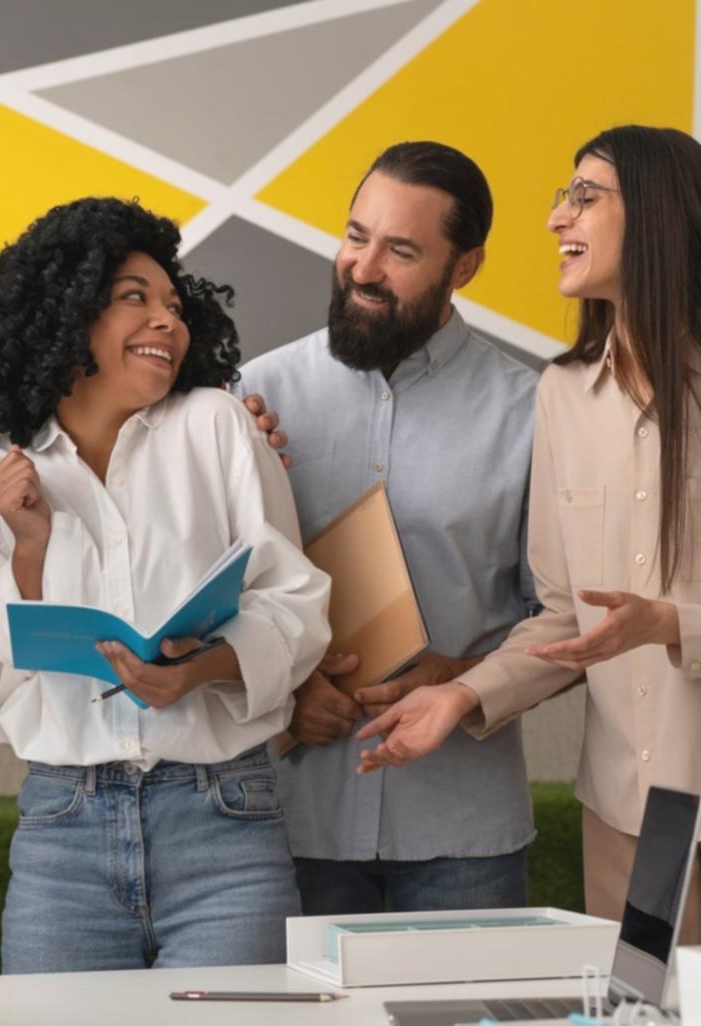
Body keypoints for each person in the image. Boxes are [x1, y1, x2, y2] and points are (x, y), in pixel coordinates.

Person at [358, 125, 701, 942]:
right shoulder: (562, 394)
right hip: (626, 815)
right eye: (563, 197)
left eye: (584, 196)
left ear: (661, 215)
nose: (558, 218)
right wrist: (461, 695)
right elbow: (562, 615)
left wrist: (669, 624)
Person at [0, 197, 331, 972]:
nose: (167, 323)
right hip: (63, 833)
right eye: (134, 299)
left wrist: (200, 669)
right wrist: (29, 551)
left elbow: (297, 603)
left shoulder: (216, 425)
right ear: (67, 312)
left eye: (175, 306)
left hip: (226, 824)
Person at [234, 141, 540, 915]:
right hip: (288, 824)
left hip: (462, 833)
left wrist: (462, 681)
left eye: (401, 250)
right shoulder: (251, 395)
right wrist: (285, 692)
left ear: (463, 267)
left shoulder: (531, 411)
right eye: (356, 235)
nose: (363, 267)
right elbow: (207, 592)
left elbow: (562, 618)